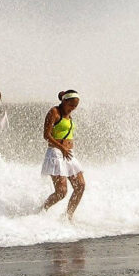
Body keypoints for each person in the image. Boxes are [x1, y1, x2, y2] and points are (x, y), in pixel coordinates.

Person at [41, 90, 85, 220]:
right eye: (71, 105)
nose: (73, 109)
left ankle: (68, 216)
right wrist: (61, 147)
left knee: (80, 186)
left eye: (75, 106)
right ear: (64, 101)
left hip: (69, 154)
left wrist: (67, 148)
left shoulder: (68, 115)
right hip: (55, 153)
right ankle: (42, 210)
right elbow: (46, 135)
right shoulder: (54, 112)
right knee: (61, 192)